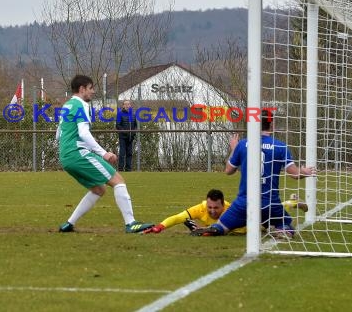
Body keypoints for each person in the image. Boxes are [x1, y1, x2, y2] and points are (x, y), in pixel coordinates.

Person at [192, 109, 316, 238]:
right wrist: (305, 172)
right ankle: (282, 230)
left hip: (244, 203)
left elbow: (228, 170)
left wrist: (234, 149)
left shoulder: (242, 144)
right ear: (272, 124)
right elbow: (294, 174)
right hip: (270, 204)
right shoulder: (280, 147)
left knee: (221, 226)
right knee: (285, 224)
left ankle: (212, 230)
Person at [57, 75, 153, 233]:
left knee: (98, 189)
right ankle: (131, 223)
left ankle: (69, 224)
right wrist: (103, 153)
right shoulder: (81, 105)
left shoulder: (67, 105)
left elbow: (59, 133)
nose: (93, 91)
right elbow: (84, 133)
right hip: (77, 153)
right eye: (91, 88)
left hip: (66, 156)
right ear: (82, 89)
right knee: (118, 180)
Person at [144, 189, 306, 235]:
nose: (212, 211)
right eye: (210, 208)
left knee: (268, 212)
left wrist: (207, 232)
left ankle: (293, 202)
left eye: (216, 208)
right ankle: (292, 200)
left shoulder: (232, 210)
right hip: (239, 229)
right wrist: (160, 226)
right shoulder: (200, 208)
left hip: (251, 225)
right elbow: (178, 217)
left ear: (223, 206)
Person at [115, 100, 137, 172]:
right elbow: (118, 125)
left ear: (130, 105)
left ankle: (128, 169)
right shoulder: (120, 114)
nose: (127, 105)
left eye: (129, 104)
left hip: (131, 137)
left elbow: (135, 125)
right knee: (122, 153)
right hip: (123, 137)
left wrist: (133, 133)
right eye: (126, 104)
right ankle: (120, 169)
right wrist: (125, 132)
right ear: (123, 106)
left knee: (129, 153)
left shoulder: (133, 114)